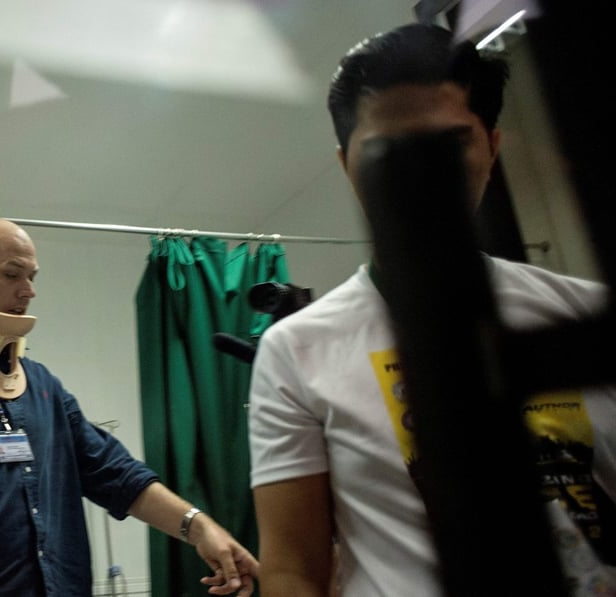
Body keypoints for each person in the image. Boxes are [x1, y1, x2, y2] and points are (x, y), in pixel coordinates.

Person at [247, 22, 616, 597]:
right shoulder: (296, 351)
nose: (420, 177)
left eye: (448, 145)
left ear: (491, 148)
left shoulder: (584, 314)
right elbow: (293, 568)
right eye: (388, 153)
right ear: (347, 166)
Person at [0, 216, 260, 596]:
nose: (28, 290)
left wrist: (199, 526)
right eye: (12, 274)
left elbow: (117, 475)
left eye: (31, 277)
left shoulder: (42, 384)